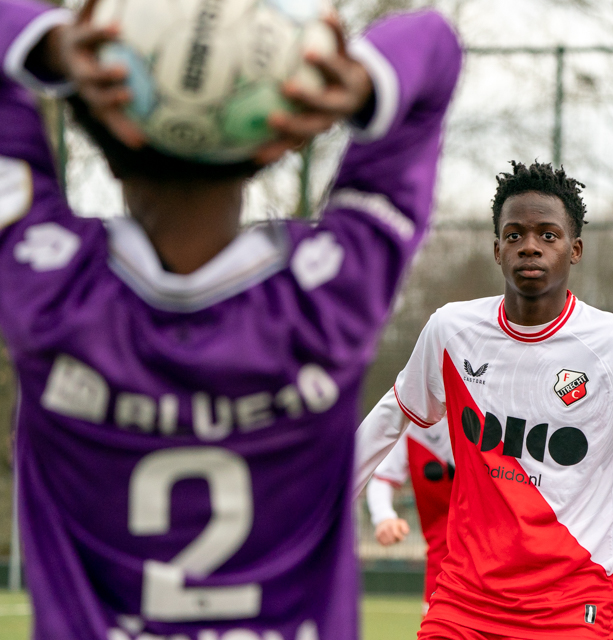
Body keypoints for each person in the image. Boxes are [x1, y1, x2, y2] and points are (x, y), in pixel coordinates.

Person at [0, 1, 461, 639]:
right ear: (275, 144)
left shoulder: (49, 292)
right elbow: (433, 43)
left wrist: (54, 46)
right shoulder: (327, 301)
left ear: (103, 135)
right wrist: (359, 83)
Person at [354, 161, 613, 640]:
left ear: (575, 249)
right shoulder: (450, 331)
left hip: (570, 606)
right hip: (462, 600)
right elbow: (390, 416)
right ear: (497, 248)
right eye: (515, 234)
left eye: (548, 235)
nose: (530, 246)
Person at [363, 409, 453, 614]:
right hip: (442, 567)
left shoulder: (493, 415)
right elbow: (382, 478)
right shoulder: (411, 421)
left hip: (501, 567)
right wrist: (384, 517)